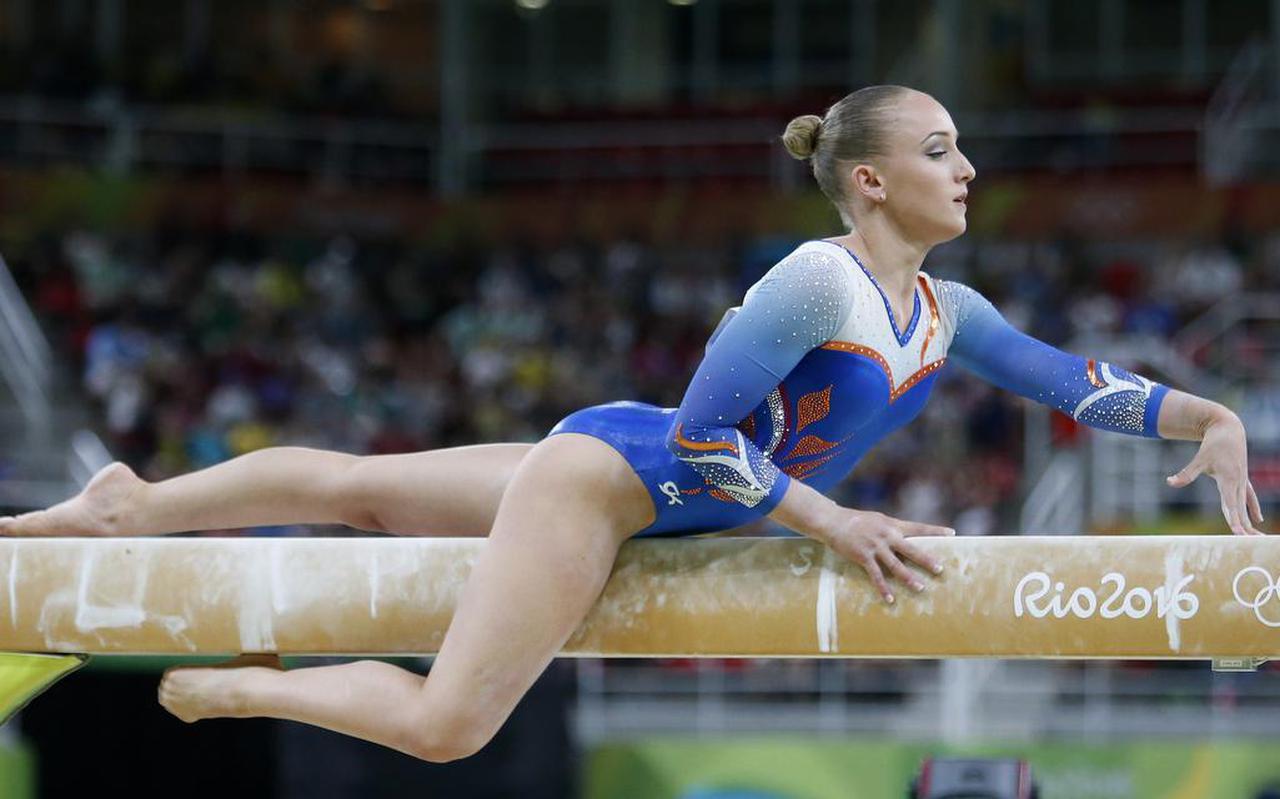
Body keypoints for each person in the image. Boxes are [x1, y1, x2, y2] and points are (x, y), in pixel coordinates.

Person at [0, 85, 1265, 762]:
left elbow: (1069, 380)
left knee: (365, 486)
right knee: (446, 728)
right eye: (941, 150)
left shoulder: (946, 309)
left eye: (963, 149)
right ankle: (230, 691)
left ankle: (136, 503)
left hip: (650, 481)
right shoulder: (810, 281)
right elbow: (709, 435)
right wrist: (832, 520)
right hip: (618, 480)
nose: (967, 168)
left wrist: (1200, 414)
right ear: (869, 179)